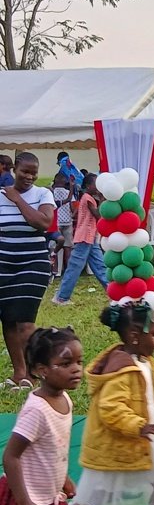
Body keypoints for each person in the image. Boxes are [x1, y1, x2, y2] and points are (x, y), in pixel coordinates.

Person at [72, 301, 154, 505]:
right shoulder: (121, 370)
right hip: (124, 442)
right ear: (135, 336)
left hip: (147, 439)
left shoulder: (144, 361)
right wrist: (138, 425)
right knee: (94, 498)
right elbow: (110, 407)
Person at [0, 327, 82, 505]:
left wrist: (63, 478)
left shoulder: (64, 399)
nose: (76, 369)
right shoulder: (37, 411)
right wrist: (24, 503)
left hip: (49, 496)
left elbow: (53, 449)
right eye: (66, 364)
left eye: (79, 362)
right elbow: (11, 457)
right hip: (29, 497)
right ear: (42, 370)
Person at [0, 152, 54, 390]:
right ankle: (19, 374)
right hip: (4, 265)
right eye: (25, 171)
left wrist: (17, 200)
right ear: (14, 170)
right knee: (8, 320)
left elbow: (43, 222)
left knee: (24, 321)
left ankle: (35, 374)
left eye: (34, 172)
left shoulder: (43, 194)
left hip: (32, 264)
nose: (30, 176)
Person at [53, 174, 108, 305]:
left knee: (100, 266)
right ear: (88, 186)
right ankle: (62, 297)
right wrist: (102, 199)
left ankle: (114, 292)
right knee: (75, 267)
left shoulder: (88, 197)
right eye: (95, 184)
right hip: (84, 237)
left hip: (90, 237)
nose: (98, 187)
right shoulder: (88, 198)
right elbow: (98, 215)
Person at [51, 173, 76, 275]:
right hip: (68, 221)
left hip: (56, 222)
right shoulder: (68, 192)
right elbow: (73, 207)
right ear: (65, 182)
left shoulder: (51, 193)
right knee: (67, 247)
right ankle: (69, 271)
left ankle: (57, 271)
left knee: (56, 248)